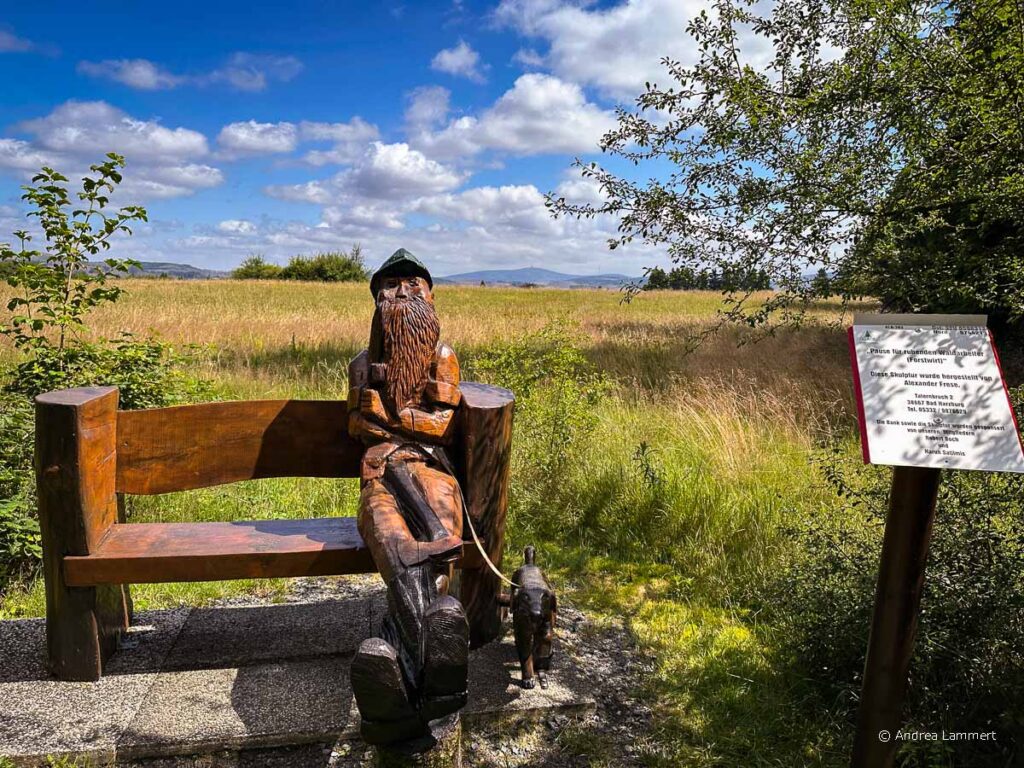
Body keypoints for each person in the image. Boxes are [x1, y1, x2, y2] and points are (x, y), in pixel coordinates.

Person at [347, 248, 470, 747]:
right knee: (390, 537)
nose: (401, 293)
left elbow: (443, 425)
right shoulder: (362, 363)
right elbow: (357, 426)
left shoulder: (443, 359)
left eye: (412, 284)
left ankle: (397, 671)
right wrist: (380, 421)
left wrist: (388, 417)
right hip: (379, 472)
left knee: (441, 538)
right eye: (390, 286)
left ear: (430, 295)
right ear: (376, 298)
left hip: (431, 468)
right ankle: (438, 679)